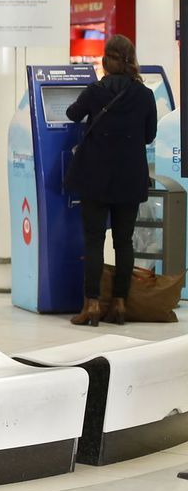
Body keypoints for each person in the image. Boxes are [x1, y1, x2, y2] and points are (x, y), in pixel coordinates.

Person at [64, 35, 158, 327]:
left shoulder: (95, 91)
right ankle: (119, 304)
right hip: (130, 178)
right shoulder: (144, 95)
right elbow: (149, 135)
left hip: (95, 177)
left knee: (93, 241)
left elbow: (71, 113)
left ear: (105, 61)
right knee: (124, 242)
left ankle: (91, 304)